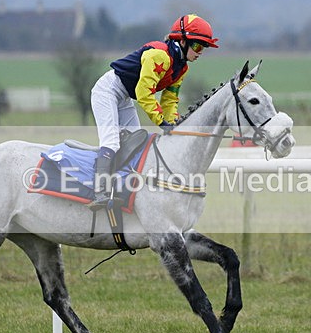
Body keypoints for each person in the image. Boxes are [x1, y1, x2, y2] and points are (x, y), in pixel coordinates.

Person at [88, 14, 219, 208]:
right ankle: (99, 192)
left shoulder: (181, 68)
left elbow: (170, 99)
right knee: (112, 142)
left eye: (204, 48)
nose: (200, 52)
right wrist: (161, 123)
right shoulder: (159, 55)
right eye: (198, 46)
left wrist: (174, 123)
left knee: (136, 141)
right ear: (182, 41)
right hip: (108, 90)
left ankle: (123, 188)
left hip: (124, 96)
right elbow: (144, 93)